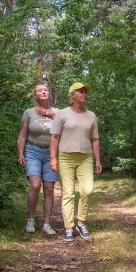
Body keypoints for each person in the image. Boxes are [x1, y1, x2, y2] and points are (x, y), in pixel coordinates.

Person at [49, 82, 102, 242]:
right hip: (65, 157)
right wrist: (53, 158)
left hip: (85, 157)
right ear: (72, 96)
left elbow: (95, 139)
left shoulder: (91, 115)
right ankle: (69, 228)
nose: (85, 94)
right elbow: (54, 137)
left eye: (86, 92)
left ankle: (81, 222)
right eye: (81, 92)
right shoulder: (62, 114)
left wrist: (98, 159)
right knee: (68, 193)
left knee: (87, 190)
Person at [17, 84, 59, 235]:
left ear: (50, 94)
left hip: (51, 153)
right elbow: (22, 134)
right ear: (35, 95)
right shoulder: (28, 112)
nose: (43, 92)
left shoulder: (58, 112)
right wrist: (20, 152)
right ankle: (30, 220)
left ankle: (47, 224)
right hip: (32, 151)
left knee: (49, 188)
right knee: (35, 185)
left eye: (46, 90)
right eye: (40, 90)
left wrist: (51, 115)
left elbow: (66, 128)